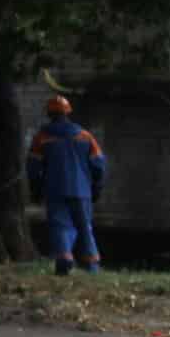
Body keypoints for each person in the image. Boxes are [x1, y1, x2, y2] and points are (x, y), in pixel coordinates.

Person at [27, 95, 107, 275]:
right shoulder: (85, 136)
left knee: (60, 225)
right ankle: (92, 264)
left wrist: (36, 190)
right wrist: (97, 187)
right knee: (85, 225)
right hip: (82, 190)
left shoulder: (42, 138)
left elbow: (33, 167)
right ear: (68, 112)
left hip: (55, 190)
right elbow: (99, 164)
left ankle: (64, 260)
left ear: (49, 114)